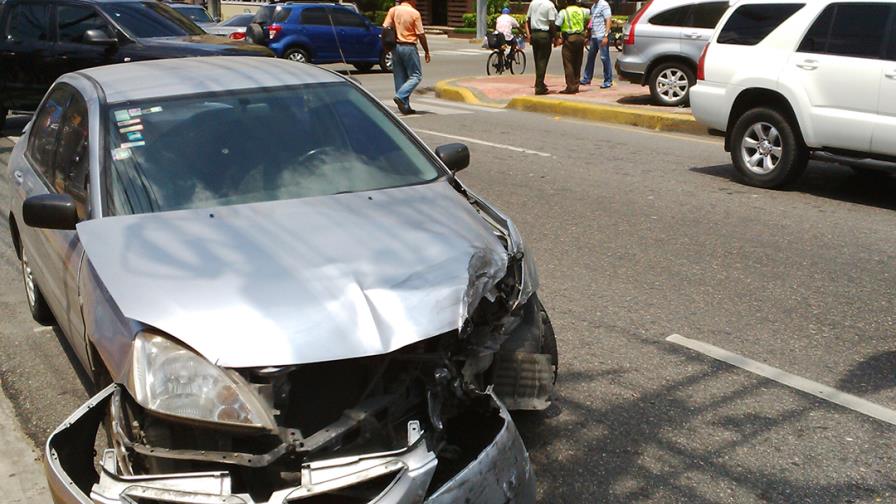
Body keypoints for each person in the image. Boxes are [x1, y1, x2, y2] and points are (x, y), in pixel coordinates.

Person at [383, 0, 430, 115]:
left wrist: (386, 45)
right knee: (416, 75)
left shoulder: (393, 10)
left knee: (400, 77)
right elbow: (421, 34)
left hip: (396, 47)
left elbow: (385, 27)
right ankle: (400, 96)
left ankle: (405, 107)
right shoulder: (414, 13)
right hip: (409, 46)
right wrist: (426, 51)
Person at [554, 0, 589, 94]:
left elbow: (557, 26)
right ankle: (576, 85)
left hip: (569, 39)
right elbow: (591, 13)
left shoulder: (564, 12)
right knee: (578, 62)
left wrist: (557, 38)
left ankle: (570, 87)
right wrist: (587, 32)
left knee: (568, 63)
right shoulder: (582, 11)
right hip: (580, 38)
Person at [525, 0, 558, 95]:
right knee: (543, 61)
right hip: (544, 35)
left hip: (535, 34)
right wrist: (555, 37)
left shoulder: (533, 3)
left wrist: (529, 35)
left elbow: (528, 20)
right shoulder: (549, 5)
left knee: (537, 60)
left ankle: (539, 82)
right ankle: (539, 87)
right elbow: (552, 23)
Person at [581, 0, 613, 88]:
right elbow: (592, 20)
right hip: (594, 36)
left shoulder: (604, 4)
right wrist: (588, 34)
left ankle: (608, 80)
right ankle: (587, 78)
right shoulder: (593, 6)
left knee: (604, 57)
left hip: (601, 35)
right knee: (590, 57)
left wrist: (606, 35)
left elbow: (608, 20)